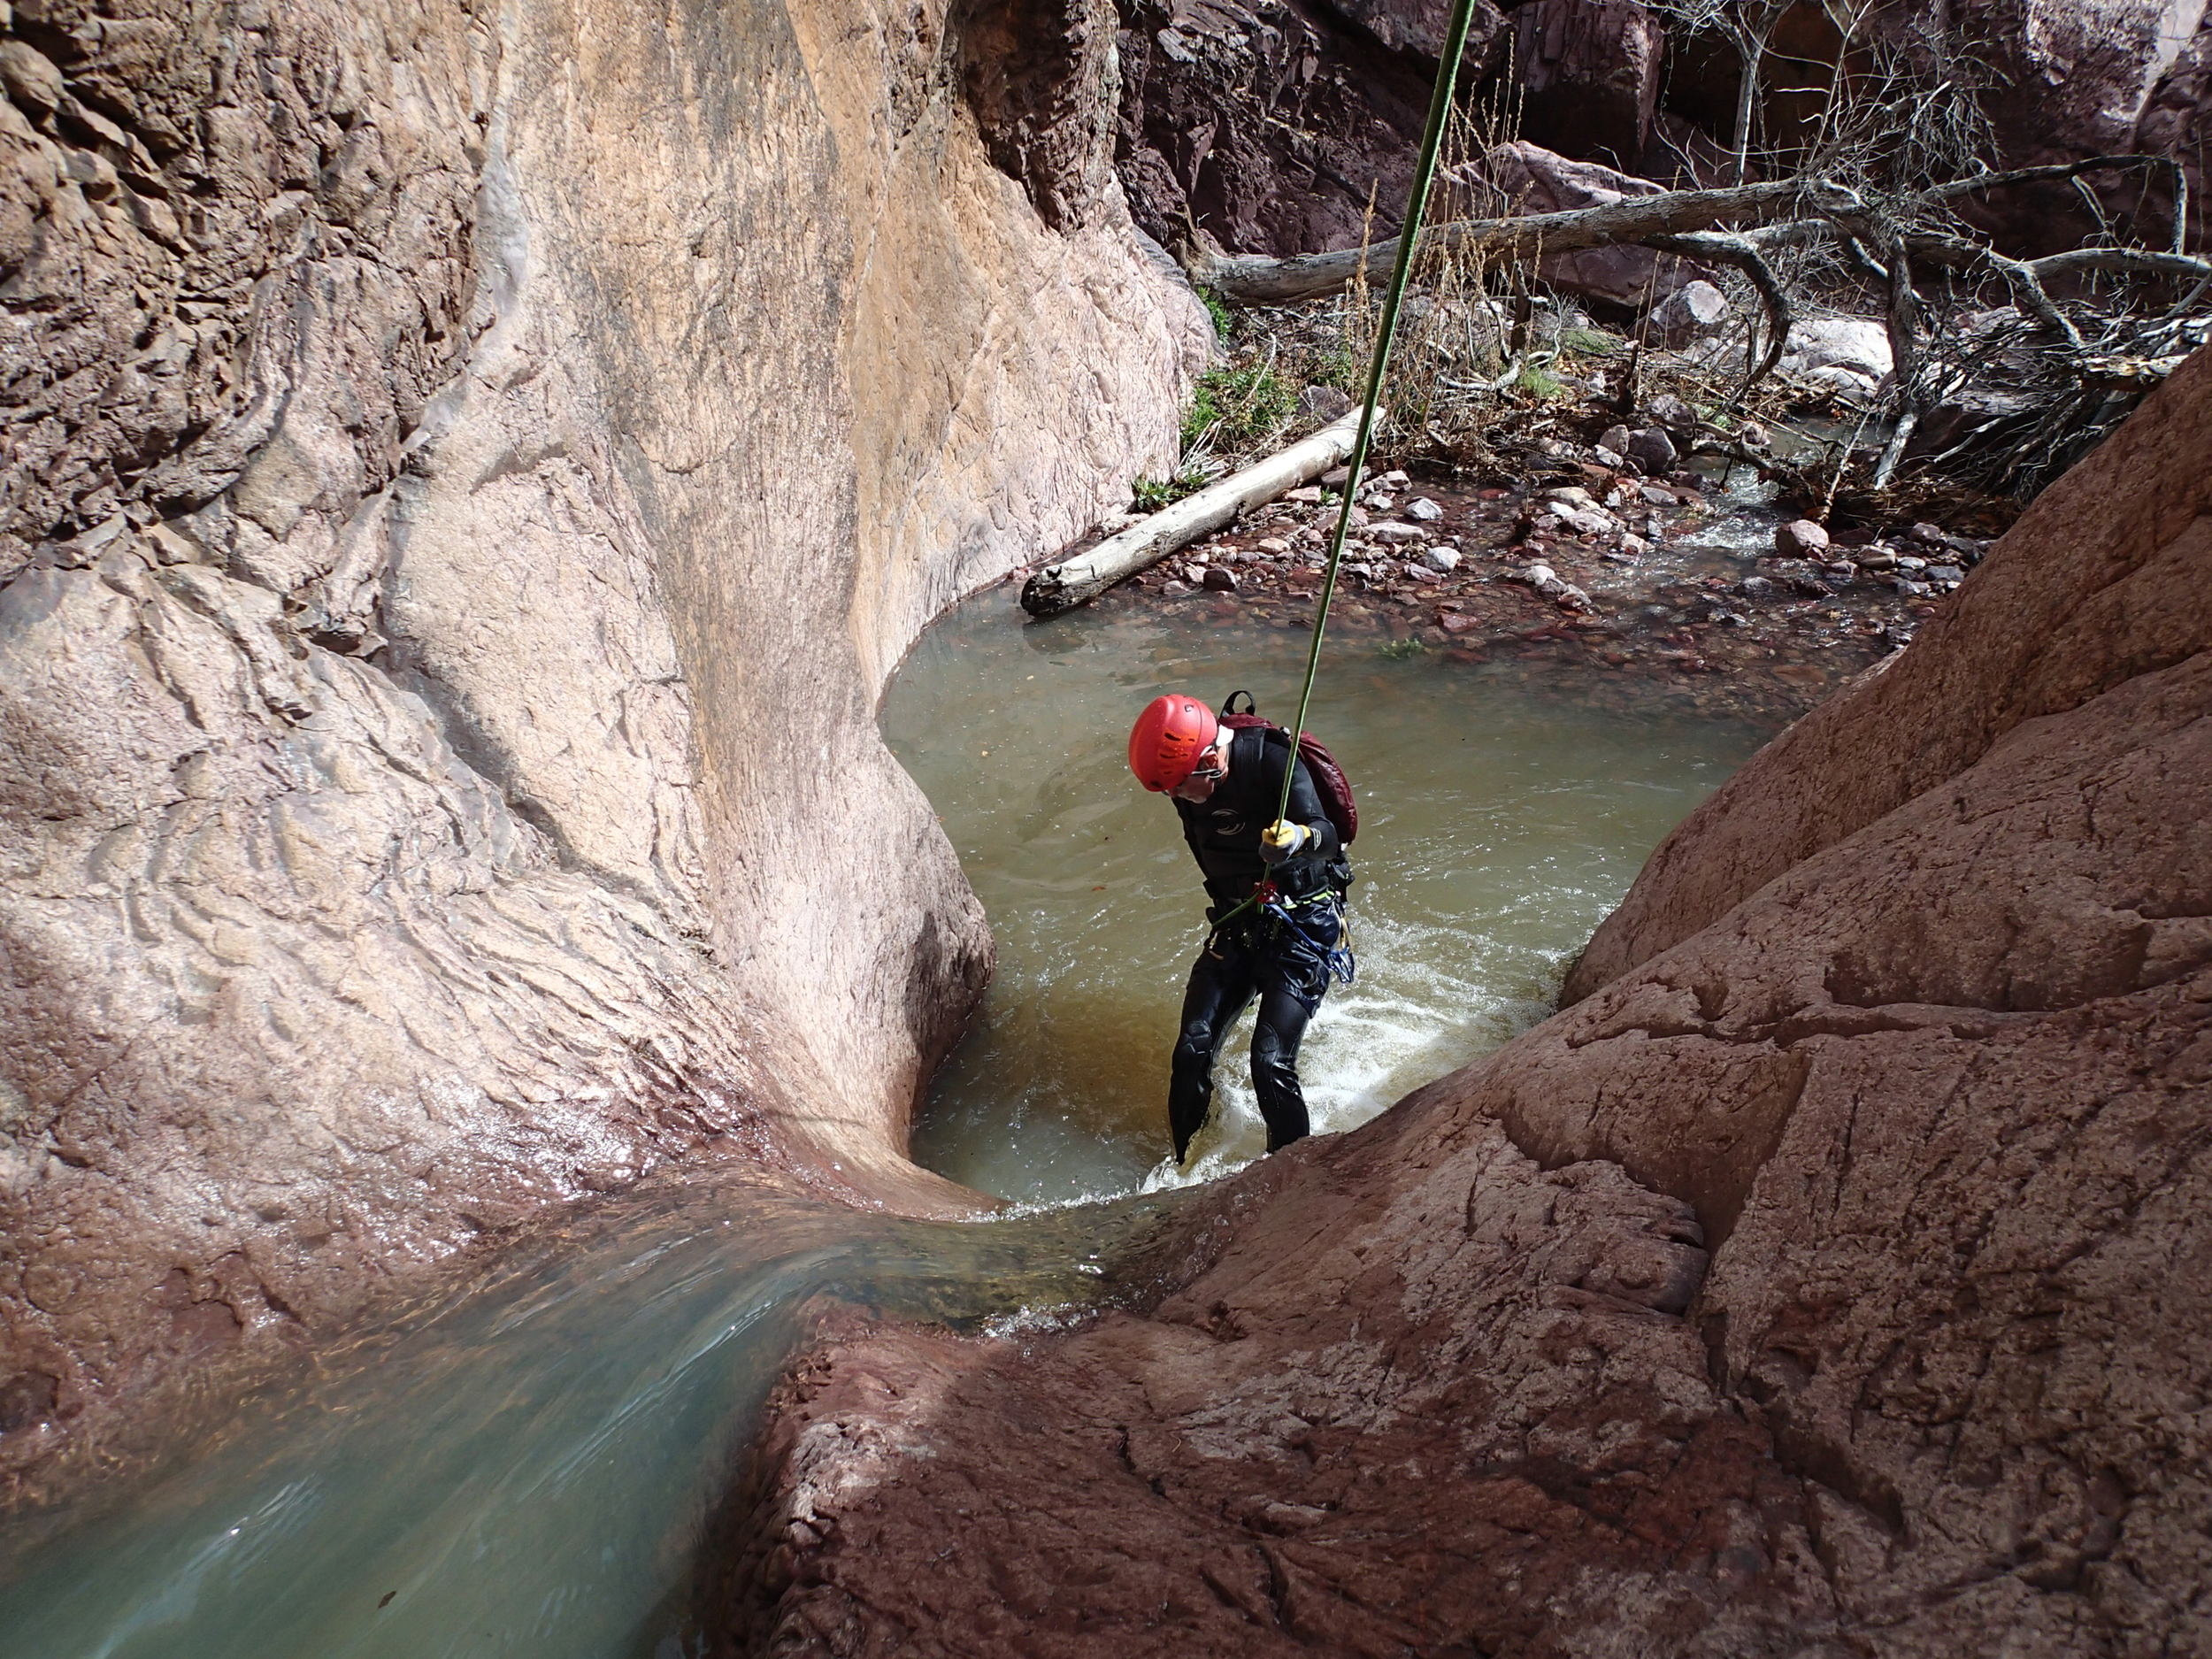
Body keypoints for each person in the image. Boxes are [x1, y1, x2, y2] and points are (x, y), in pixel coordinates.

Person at [1127, 693, 1353, 1164]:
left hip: (1301, 922)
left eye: (1179, 787)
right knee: (1191, 1051)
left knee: (1268, 1065)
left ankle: (1288, 1178)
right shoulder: (1187, 779)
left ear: (1211, 758)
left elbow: (1329, 836)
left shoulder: (1272, 759)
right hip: (1238, 921)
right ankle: (1183, 1170)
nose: (1175, 798)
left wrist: (1297, 838)